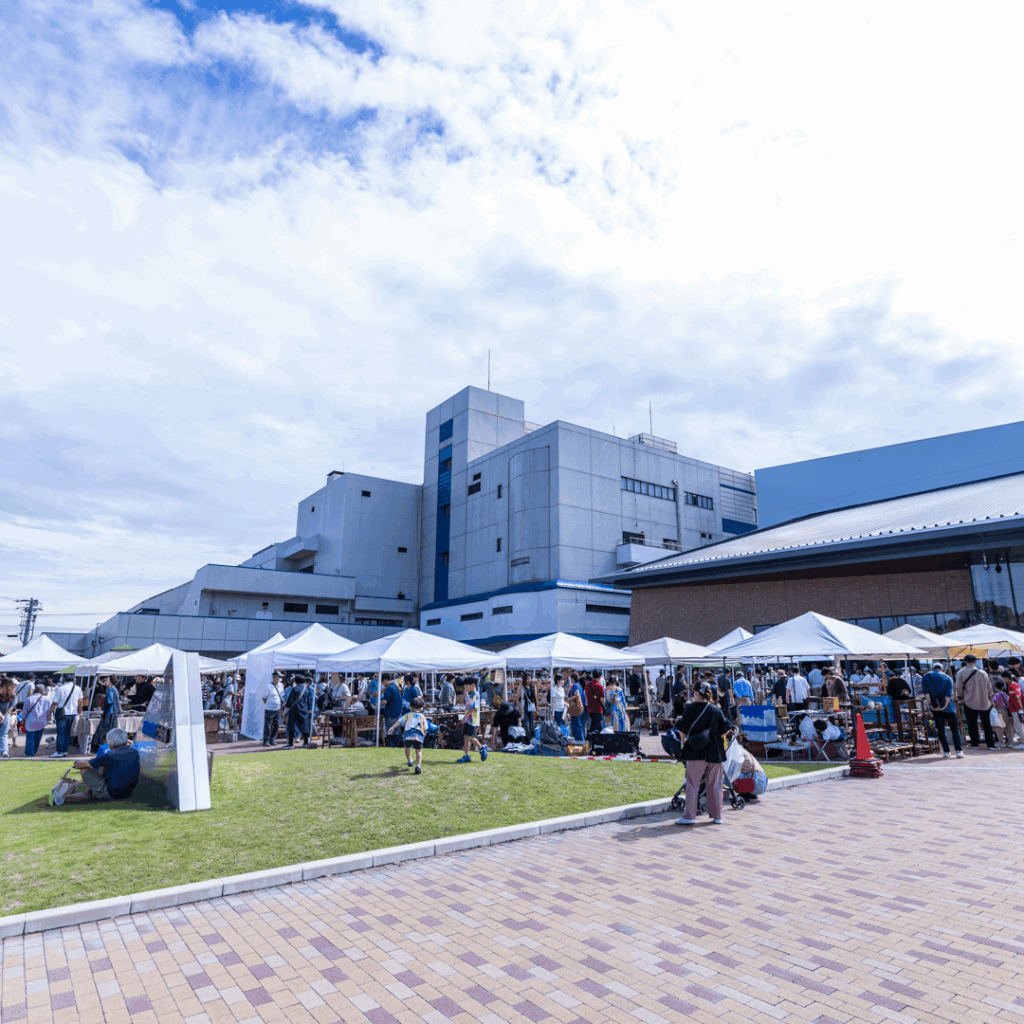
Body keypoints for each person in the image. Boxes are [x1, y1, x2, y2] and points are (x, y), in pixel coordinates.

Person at [674, 681, 734, 826]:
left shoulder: (690, 708)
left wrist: (683, 742)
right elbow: (725, 729)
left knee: (692, 784)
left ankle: (690, 815)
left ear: (695, 693)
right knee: (715, 785)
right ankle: (718, 816)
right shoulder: (716, 709)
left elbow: (682, 729)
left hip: (695, 750)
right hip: (715, 751)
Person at [61, 728, 140, 804]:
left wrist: (77, 763)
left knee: (84, 768)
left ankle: (86, 794)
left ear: (110, 742)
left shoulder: (109, 755)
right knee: (103, 767)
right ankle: (89, 791)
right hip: (127, 793)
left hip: (112, 794)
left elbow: (81, 765)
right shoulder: (134, 752)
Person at [921, 664, 963, 758]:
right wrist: (944, 706)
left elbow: (926, 693)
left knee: (941, 730)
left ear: (932, 668)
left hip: (935, 706)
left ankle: (946, 751)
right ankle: (958, 751)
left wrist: (932, 705)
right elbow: (949, 695)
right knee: (955, 729)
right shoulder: (948, 677)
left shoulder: (926, 676)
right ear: (942, 669)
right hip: (949, 707)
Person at [955, 655, 996, 749]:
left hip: (969, 701)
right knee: (987, 724)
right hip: (984, 701)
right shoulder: (983, 672)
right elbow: (989, 688)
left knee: (972, 723)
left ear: (965, 662)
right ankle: (990, 744)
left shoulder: (961, 672)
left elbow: (958, 687)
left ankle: (974, 743)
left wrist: (961, 697)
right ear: (975, 662)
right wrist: (991, 699)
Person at [387, 696, 431, 774]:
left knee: (407, 748)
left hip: (408, 736)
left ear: (410, 707)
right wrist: (424, 733)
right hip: (418, 736)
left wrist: (392, 727)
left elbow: (399, 721)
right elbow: (426, 727)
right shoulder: (422, 716)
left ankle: (410, 760)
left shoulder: (408, 715)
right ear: (421, 708)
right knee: (418, 751)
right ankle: (418, 766)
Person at [49, 675, 84, 759]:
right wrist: (80, 711)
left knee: (61, 733)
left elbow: (54, 702)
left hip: (62, 713)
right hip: (73, 713)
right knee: (67, 733)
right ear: (73, 680)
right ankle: (64, 750)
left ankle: (59, 751)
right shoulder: (77, 688)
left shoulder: (60, 689)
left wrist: (50, 713)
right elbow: (80, 701)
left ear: (64, 679)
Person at [456, 677, 488, 763]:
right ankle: (466, 755)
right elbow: (468, 705)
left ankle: (482, 748)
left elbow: (474, 707)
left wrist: (465, 717)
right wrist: (466, 696)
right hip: (468, 720)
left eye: (466, 686)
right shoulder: (470, 694)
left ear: (473, 685)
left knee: (470, 737)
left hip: (473, 720)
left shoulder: (475, 694)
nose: (465, 687)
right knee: (466, 737)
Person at [285, 675, 314, 748]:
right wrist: (309, 709)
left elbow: (289, 702)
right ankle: (305, 743)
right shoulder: (306, 690)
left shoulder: (294, 689)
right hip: (304, 709)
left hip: (294, 709)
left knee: (292, 727)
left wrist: (286, 706)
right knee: (305, 726)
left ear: (296, 681)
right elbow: (309, 700)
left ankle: (290, 744)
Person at [22, 685, 52, 758]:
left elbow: (24, 711)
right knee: (38, 738)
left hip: (31, 720)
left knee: (30, 737)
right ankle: (34, 751)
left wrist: (23, 719)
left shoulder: (29, 699)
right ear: (43, 691)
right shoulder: (47, 699)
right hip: (42, 720)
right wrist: (49, 717)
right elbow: (49, 710)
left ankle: (29, 753)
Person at [262, 673, 284, 746]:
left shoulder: (281, 685)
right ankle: (266, 740)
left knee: (276, 725)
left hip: (278, 709)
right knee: (267, 726)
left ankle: (272, 739)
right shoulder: (269, 686)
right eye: (279, 677)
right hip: (269, 709)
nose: (280, 678)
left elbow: (282, 695)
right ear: (274, 677)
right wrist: (269, 704)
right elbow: (264, 698)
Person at [567, 676, 586, 741]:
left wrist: (568, 699)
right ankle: (582, 743)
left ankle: (580, 743)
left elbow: (577, 695)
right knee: (580, 727)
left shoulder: (575, 685)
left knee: (576, 728)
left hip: (576, 709)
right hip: (581, 708)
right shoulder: (579, 685)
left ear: (573, 679)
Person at [0, 677, 15, 759]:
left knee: (3, 734)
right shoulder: (12, 693)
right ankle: (4, 751)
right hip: (6, 715)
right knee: (4, 734)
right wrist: (4, 715)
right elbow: (12, 706)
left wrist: (1, 715)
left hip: (3, 715)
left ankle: (4, 750)